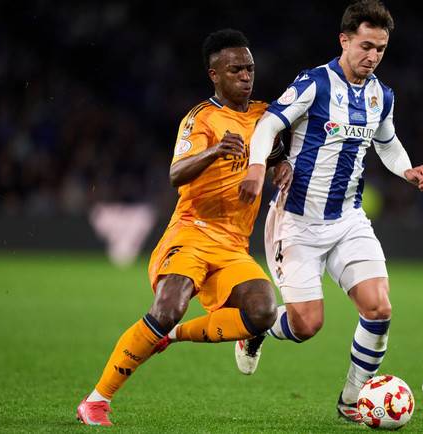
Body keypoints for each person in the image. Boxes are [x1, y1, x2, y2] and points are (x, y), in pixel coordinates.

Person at [76, 29, 292, 426]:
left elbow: (279, 149)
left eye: (249, 68)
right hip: (192, 232)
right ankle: (96, 400)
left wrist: (284, 164)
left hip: (234, 244)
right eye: (235, 70)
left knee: (263, 312)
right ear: (214, 75)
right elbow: (176, 173)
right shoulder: (201, 119)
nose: (246, 76)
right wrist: (216, 150)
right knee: (168, 308)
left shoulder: (266, 115)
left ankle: (174, 337)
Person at [237, 0, 423, 423]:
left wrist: (408, 170)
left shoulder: (382, 95)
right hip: (297, 222)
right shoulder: (314, 84)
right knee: (307, 325)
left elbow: (387, 143)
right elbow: (268, 124)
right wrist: (257, 168)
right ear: (344, 40)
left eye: (381, 48)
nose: (373, 56)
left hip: (348, 219)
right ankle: (258, 327)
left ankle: (352, 399)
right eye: (366, 46)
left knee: (379, 307)